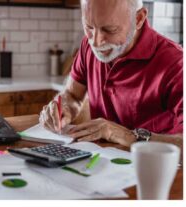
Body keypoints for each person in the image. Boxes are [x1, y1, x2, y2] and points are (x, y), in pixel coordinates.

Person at [39, 0, 183, 149]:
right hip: (100, 161)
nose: (96, 42)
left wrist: (123, 135)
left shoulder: (176, 63)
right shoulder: (87, 47)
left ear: (138, 19)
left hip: (151, 168)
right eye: (89, 27)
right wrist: (63, 108)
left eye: (110, 30)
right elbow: (73, 95)